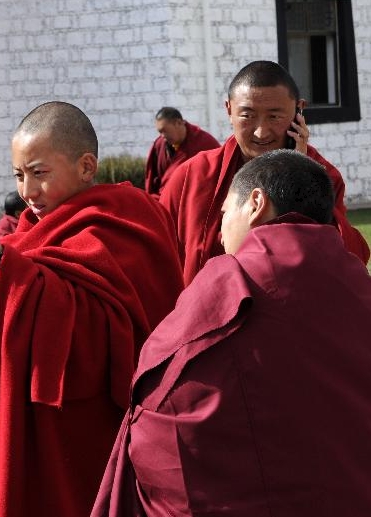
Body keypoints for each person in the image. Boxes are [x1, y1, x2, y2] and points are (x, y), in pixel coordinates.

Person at [0, 101, 184, 517]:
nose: (27, 192)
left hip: (89, 437)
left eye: (39, 173)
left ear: (86, 167)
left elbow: (103, 331)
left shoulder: (126, 221)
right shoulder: (23, 238)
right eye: (19, 175)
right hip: (20, 426)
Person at [92, 149, 371, 516]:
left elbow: (158, 399)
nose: (222, 237)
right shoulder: (357, 282)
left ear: (256, 203)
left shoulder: (230, 279)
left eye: (224, 214)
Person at [160, 60, 369, 285]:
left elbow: (345, 257)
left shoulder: (323, 176)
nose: (260, 132)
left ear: (299, 110)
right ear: (229, 110)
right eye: (247, 116)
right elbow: (159, 257)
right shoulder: (190, 177)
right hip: (207, 311)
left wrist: (298, 171)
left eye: (274, 116)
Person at [144, 107, 219, 197]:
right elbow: (152, 180)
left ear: (178, 123)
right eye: (160, 132)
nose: (162, 136)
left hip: (193, 200)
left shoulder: (204, 143)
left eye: (164, 131)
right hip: (163, 200)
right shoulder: (159, 145)